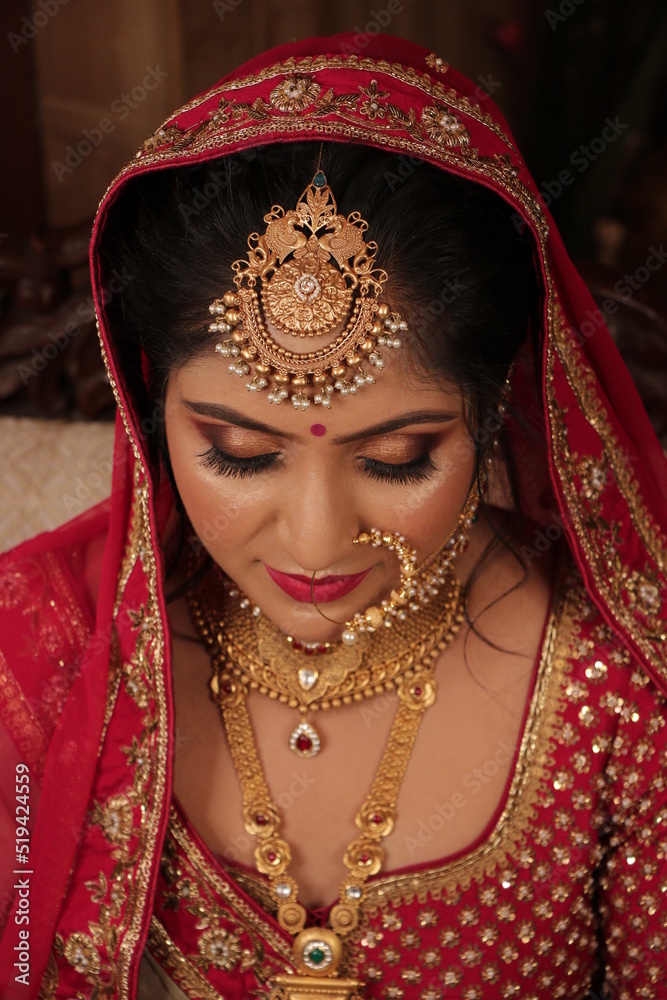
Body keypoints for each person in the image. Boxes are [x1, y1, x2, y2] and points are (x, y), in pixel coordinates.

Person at [1, 33, 666, 1000]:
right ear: (148, 409)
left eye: (398, 459)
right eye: (239, 454)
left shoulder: (621, 680)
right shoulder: (49, 646)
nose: (315, 541)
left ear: (494, 416)